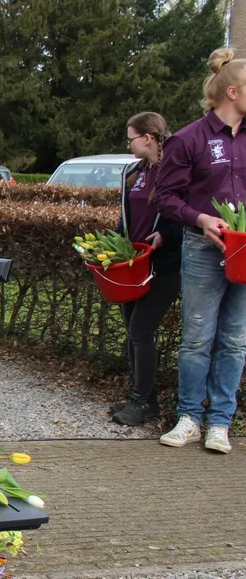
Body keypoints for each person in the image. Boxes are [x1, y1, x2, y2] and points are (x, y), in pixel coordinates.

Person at [155, 48, 246, 453]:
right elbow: (166, 197)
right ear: (232, 91)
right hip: (203, 249)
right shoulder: (189, 138)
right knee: (196, 338)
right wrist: (201, 220)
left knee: (234, 341)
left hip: (244, 249)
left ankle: (220, 424)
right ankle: (189, 417)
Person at [111, 111, 181, 426]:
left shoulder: (175, 171)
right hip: (132, 264)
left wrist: (166, 234)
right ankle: (144, 400)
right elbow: (127, 216)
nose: (130, 146)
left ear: (148, 138)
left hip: (163, 266)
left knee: (141, 331)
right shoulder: (136, 171)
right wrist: (113, 243)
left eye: (132, 139)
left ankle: (140, 401)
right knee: (132, 331)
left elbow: (182, 213)